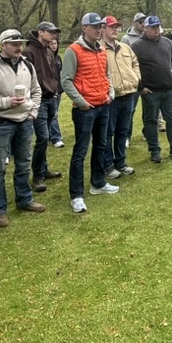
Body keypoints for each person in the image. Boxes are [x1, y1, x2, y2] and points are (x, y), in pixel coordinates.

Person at [0, 29, 46, 227]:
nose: (19, 47)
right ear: (2, 45)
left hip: (25, 122)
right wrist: (7, 102)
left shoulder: (27, 65)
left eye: (20, 43)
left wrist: (32, 112)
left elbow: (36, 90)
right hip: (0, 124)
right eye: (14, 44)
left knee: (24, 163)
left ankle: (25, 199)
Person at [61, 13, 119, 213]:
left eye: (100, 27)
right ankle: (76, 195)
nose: (99, 30)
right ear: (84, 28)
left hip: (103, 106)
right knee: (80, 151)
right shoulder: (73, 51)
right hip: (85, 110)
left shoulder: (101, 50)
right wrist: (81, 102)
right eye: (95, 27)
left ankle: (98, 183)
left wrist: (110, 93)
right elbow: (66, 80)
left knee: (101, 146)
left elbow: (106, 74)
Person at [129, 15, 172, 165]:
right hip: (150, 91)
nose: (156, 30)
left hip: (169, 90)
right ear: (145, 28)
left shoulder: (167, 42)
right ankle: (155, 151)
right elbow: (131, 68)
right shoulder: (137, 46)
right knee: (151, 121)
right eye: (153, 27)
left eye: (157, 27)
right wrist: (141, 87)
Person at [24, 21, 64, 191]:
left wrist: (55, 89)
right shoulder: (29, 52)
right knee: (42, 137)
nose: (54, 35)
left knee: (45, 138)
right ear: (40, 32)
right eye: (50, 32)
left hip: (51, 97)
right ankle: (37, 176)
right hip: (38, 100)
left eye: (55, 32)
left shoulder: (49, 50)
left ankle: (43, 169)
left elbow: (53, 72)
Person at [100, 16, 141, 178]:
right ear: (103, 29)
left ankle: (120, 162)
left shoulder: (124, 47)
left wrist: (135, 78)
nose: (115, 29)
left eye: (117, 26)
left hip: (128, 94)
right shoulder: (99, 50)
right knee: (108, 132)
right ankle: (108, 165)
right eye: (112, 27)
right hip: (111, 98)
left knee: (122, 131)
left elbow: (135, 63)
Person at [48, 37, 65, 148]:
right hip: (50, 90)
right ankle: (56, 138)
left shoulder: (58, 58)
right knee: (53, 114)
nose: (54, 46)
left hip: (58, 90)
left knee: (53, 114)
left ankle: (50, 134)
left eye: (55, 43)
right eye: (51, 44)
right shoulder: (45, 58)